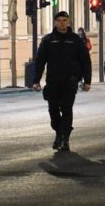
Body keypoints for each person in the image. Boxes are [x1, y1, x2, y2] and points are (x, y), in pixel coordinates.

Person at [30, 11, 92, 153]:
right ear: (55, 22)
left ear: (69, 22)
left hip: (70, 81)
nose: (62, 23)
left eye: (65, 20)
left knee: (67, 109)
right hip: (53, 81)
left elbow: (85, 61)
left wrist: (87, 81)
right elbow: (39, 61)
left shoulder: (76, 40)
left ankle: (65, 138)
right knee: (53, 110)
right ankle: (59, 132)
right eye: (59, 20)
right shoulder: (48, 40)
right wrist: (36, 80)